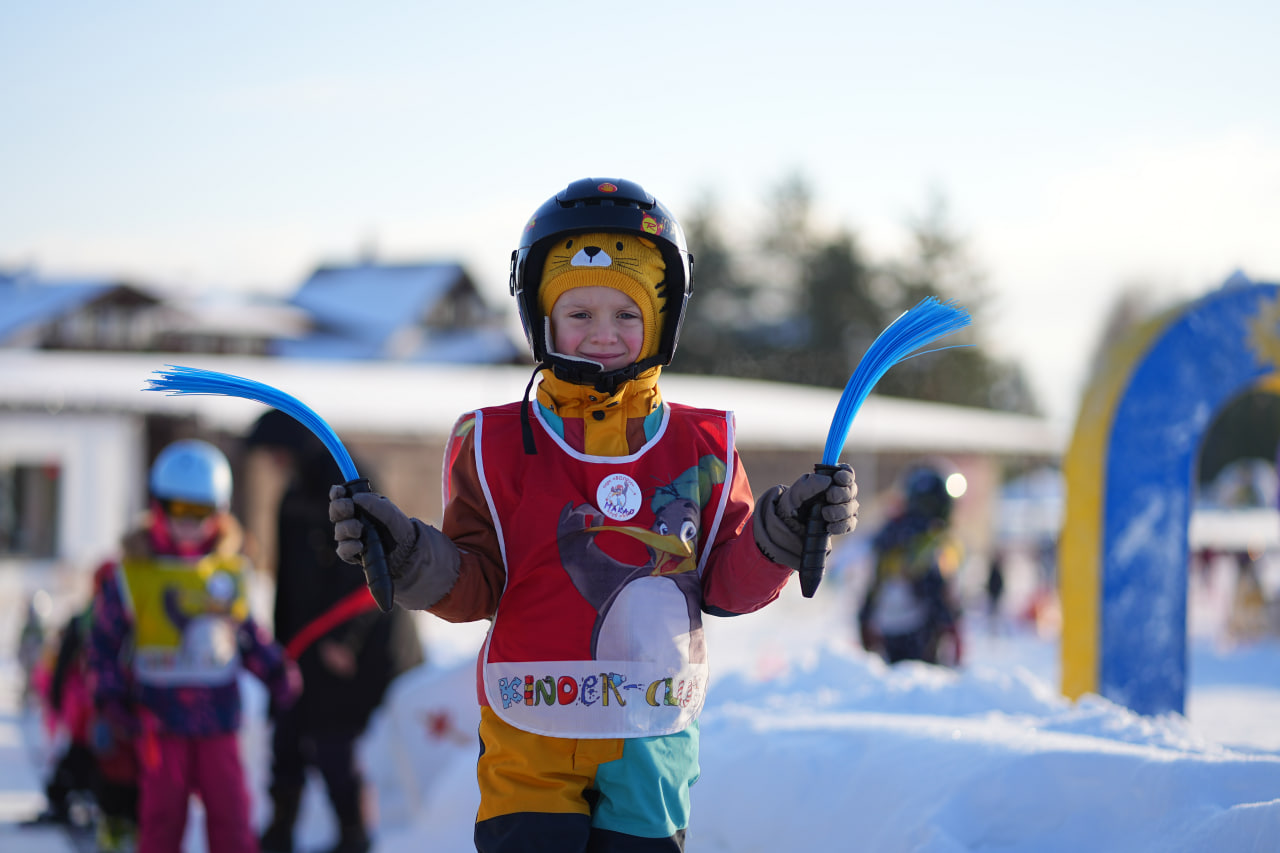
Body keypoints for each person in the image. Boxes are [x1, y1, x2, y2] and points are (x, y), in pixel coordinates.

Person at [328, 177, 859, 852]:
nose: (603, 335)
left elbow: (725, 584)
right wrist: (408, 553)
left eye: (626, 314)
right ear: (541, 317)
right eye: (579, 314)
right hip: (531, 735)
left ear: (662, 320)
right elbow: (475, 583)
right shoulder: (491, 443)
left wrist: (780, 534)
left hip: (649, 737)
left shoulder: (702, 446)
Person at [88, 438, 301, 853]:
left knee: (231, 816)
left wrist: (275, 670)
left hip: (217, 717)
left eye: (200, 513)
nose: (188, 524)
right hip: (156, 719)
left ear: (220, 513)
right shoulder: (134, 574)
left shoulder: (229, 572)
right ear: (157, 507)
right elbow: (104, 642)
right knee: (162, 818)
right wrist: (109, 698)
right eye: (177, 511)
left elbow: (246, 635)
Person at [247, 409, 424, 853]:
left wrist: (345, 642)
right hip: (305, 643)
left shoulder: (354, 482)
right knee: (286, 736)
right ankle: (280, 831)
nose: (273, 462)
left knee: (332, 743)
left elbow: (376, 569)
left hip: (354, 646)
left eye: (276, 452)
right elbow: (287, 579)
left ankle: (353, 836)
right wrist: (282, 647)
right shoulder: (293, 494)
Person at [858, 465, 963, 666]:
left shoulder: (889, 532)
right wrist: (950, 624)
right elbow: (934, 587)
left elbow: (874, 580)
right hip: (919, 628)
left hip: (887, 626)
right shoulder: (930, 537)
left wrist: (864, 620)